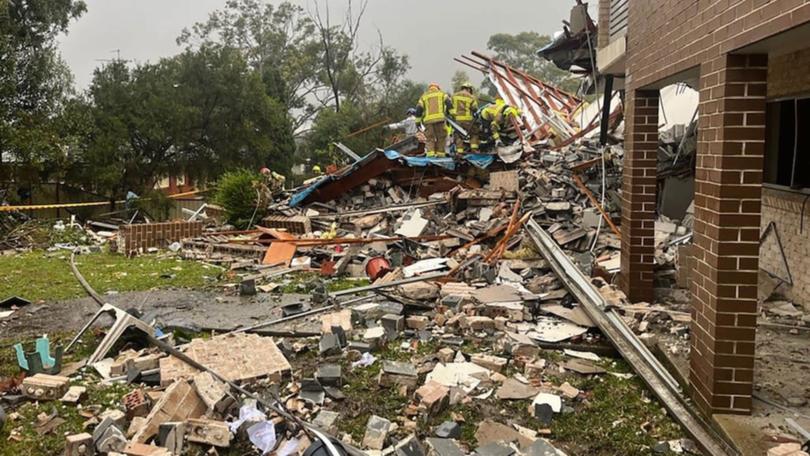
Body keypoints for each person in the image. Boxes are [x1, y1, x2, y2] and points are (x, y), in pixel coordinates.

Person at [415, 83, 452, 157]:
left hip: (428, 121)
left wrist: (418, 121)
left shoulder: (424, 96)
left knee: (430, 138)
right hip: (440, 120)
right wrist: (451, 114)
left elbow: (419, 108)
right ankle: (441, 155)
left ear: (429, 88)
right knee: (441, 137)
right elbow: (448, 103)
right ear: (438, 88)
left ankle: (430, 155)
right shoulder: (442, 94)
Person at [451, 82, 480, 153]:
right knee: (474, 133)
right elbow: (475, 108)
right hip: (468, 120)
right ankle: (474, 149)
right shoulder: (471, 97)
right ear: (469, 89)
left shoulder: (454, 96)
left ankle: (459, 152)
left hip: (457, 120)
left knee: (458, 135)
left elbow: (450, 107)